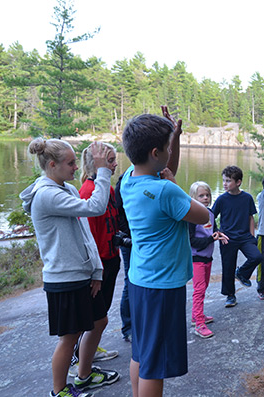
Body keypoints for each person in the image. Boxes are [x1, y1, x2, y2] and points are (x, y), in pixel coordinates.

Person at [20, 139, 120, 397]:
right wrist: (102, 171)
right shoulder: (47, 195)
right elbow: (95, 208)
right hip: (63, 277)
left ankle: (85, 375)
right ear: (52, 165)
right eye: (71, 163)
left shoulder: (66, 189)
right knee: (70, 336)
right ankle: (59, 390)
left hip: (82, 273)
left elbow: (85, 233)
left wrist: (96, 271)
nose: (76, 167)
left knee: (99, 321)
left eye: (76, 161)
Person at [120, 110, 209, 397]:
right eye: (168, 148)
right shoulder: (165, 191)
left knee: (142, 353)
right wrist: (173, 183)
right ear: (156, 153)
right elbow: (203, 215)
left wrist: (176, 137)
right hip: (163, 286)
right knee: (154, 366)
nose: (171, 153)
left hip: (140, 280)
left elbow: (163, 170)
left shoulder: (128, 180)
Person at [73, 142, 120, 365]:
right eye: (110, 160)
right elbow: (88, 237)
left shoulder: (107, 190)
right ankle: (81, 356)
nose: (115, 164)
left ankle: (89, 349)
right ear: (96, 164)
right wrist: (95, 273)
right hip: (100, 265)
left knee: (102, 312)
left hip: (111, 259)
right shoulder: (88, 192)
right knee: (95, 317)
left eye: (114, 159)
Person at [212, 165, 262, 308]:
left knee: (256, 256)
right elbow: (211, 216)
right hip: (227, 238)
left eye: (228, 181)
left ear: (238, 182)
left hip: (245, 237)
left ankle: (241, 273)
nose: (225, 184)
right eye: (223, 180)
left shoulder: (247, 198)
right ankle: (230, 295)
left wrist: (252, 236)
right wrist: (217, 231)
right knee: (228, 267)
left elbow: (250, 217)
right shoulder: (221, 199)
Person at [188, 181, 229, 338]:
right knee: (198, 290)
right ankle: (199, 324)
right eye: (201, 196)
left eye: (207, 195)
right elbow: (191, 240)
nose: (205, 198)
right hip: (196, 258)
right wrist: (211, 240)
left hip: (207, 257)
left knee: (204, 287)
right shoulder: (192, 216)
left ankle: (195, 316)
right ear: (193, 197)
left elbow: (214, 230)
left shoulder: (210, 213)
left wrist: (220, 234)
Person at [115, 172, 133, 342]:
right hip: (129, 240)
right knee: (130, 281)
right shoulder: (125, 182)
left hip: (140, 240)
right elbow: (120, 214)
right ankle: (128, 327)